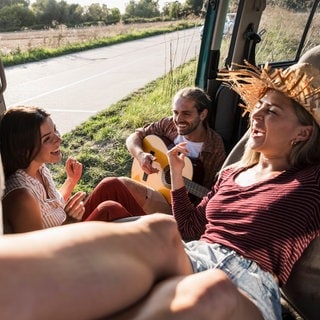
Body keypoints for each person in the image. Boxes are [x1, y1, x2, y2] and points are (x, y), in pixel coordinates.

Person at [1, 61, 320, 320]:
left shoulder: (311, 182)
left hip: (251, 279)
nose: (256, 114)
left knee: (211, 291)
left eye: (272, 111)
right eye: (258, 106)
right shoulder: (232, 173)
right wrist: (177, 178)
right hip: (197, 252)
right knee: (159, 227)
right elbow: (192, 228)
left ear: (303, 132)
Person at [82, 86, 226, 220]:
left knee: (113, 186)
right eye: (175, 112)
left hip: (176, 207)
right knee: (109, 190)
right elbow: (134, 137)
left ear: (203, 114)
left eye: (186, 114)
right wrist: (140, 155)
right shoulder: (169, 125)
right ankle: (74, 224)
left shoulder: (214, 147)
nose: (178, 119)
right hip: (153, 188)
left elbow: (214, 193)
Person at [0, 106, 146, 233]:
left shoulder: (39, 168)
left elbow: (53, 207)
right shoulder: (21, 197)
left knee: (111, 185)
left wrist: (71, 180)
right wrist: (69, 223)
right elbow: (38, 254)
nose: (59, 139)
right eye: (47, 139)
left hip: (68, 227)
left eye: (55, 130)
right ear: (24, 150)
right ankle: (155, 244)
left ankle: (160, 233)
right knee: (109, 209)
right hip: (63, 249)